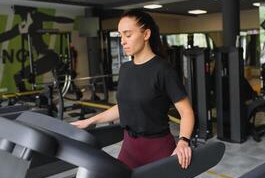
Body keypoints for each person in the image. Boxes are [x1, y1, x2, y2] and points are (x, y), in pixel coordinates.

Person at [71, 9, 194, 169]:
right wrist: (90, 121)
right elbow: (124, 107)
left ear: (146, 34)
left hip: (158, 148)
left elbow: (186, 112)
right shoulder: (125, 68)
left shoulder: (163, 70)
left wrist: (183, 141)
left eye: (128, 35)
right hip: (130, 148)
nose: (122, 41)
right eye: (120, 35)